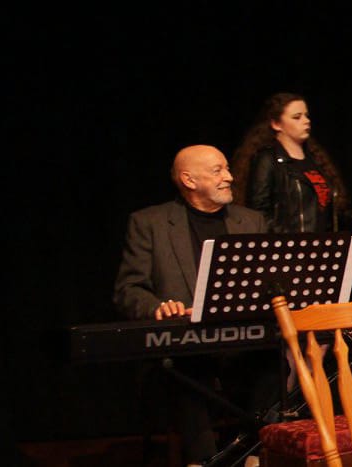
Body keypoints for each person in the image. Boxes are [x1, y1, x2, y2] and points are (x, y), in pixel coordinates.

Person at [113, 145, 273, 464]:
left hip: (243, 343)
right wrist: (158, 307)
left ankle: (256, 454)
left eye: (227, 168)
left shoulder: (251, 221)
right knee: (186, 370)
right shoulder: (150, 223)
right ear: (188, 179)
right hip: (187, 344)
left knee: (273, 361)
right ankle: (203, 460)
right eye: (218, 171)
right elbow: (129, 290)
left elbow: (267, 281)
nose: (229, 177)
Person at [232, 92, 352, 233]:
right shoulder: (268, 159)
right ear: (276, 124)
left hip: (321, 247)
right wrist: (289, 240)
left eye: (306, 115)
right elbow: (258, 213)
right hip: (291, 250)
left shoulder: (315, 159)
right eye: (297, 117)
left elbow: (323, 209)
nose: (306, 121)